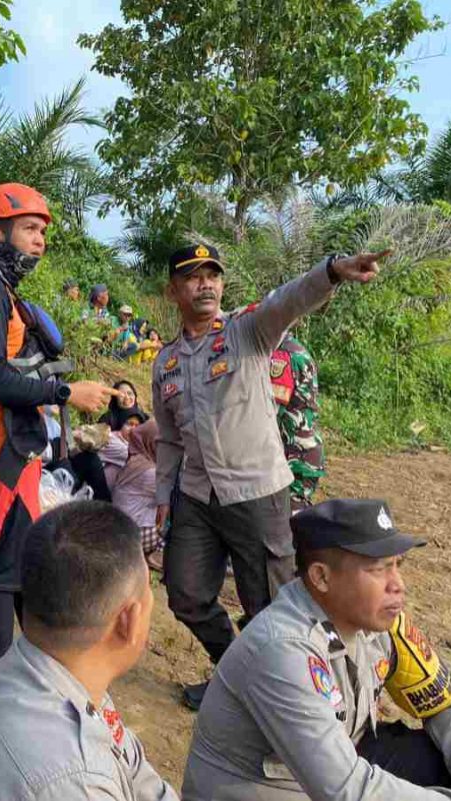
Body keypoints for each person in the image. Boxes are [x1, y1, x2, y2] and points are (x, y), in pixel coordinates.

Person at [153, 242, 389, 710]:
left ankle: (297, 703)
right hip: (198, 498)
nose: (206, 284)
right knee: (185, 593)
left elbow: (288, 299)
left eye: (213, 275)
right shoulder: (166, 363)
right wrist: (164, 493)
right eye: (193, 276)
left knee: (271, 608)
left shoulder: (247, 331)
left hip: (257, 492)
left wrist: (332, 271)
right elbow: (169, 439)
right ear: (173, 290)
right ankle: (238, 677)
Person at [182, 498, 451, 801]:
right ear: (321, 577)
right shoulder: (281, 651)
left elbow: (444, 705)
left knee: (442, 760)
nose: (398, 584)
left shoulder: (379, 623)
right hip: (271, 792)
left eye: (397, 564)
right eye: (377, 569)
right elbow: (344, 789)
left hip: (330, 771)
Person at [0, 182, 117, 670]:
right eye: (30, 228)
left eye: (42, 231)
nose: (39, 239)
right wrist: (64, 393)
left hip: (5, 444)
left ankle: (34, 659)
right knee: (0, 566)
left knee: (17, 556)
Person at [0, 501, 178, 801]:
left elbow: (135, 769)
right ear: (129, 620)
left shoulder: (35, 666)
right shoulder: (75, 782)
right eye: (148, 590)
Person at [272, 331, 326, 511]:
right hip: (299, 452)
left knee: (289, 523)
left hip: (293, 456)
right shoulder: (291, 348)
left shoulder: (282, 357)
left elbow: (270, 412)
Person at [112, 419, 164, 572]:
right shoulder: (148, 472)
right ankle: (159, 555)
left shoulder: (137, 460)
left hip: (121, 530)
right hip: (133, 536)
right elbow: (177, 492)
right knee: (182, 518)